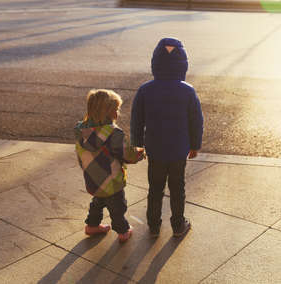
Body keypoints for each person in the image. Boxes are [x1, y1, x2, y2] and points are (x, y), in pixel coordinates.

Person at [130, 37, 204, 238]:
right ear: (183, 64)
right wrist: (195, 145)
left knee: (155, 189)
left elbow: (137, 119)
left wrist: (137, 143)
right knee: (177, 189)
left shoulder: (146, 90)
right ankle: (178, 225)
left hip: (155, 149)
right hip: (179, 150)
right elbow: (196, 121)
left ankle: (154, 226)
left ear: (155, 63)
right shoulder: (187, 91)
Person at [75, 89, 143, 243]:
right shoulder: (113, 134)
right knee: (118, 206)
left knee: (98, 202)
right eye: (116, 109)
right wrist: (140, 153)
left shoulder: (81, 131)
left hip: (92, 177)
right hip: (111, 179)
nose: (117, 113)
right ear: (108, 112)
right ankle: (123, 230)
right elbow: (128, 155)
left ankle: (92, 225)